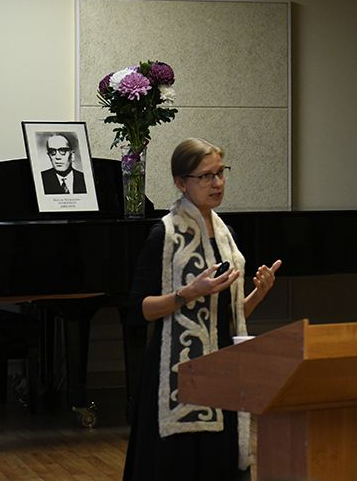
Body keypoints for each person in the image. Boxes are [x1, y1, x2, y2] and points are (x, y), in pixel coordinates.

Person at [123, 137, 281, 481]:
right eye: (206, 176)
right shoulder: (164, 235)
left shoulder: (227, 234)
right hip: (176, 373)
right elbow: (137, 310)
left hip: (222, 371)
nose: (217, 183)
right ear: (181, 182)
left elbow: (227, 318)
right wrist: (187, 293)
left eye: (220, 173)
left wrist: (258, 294)